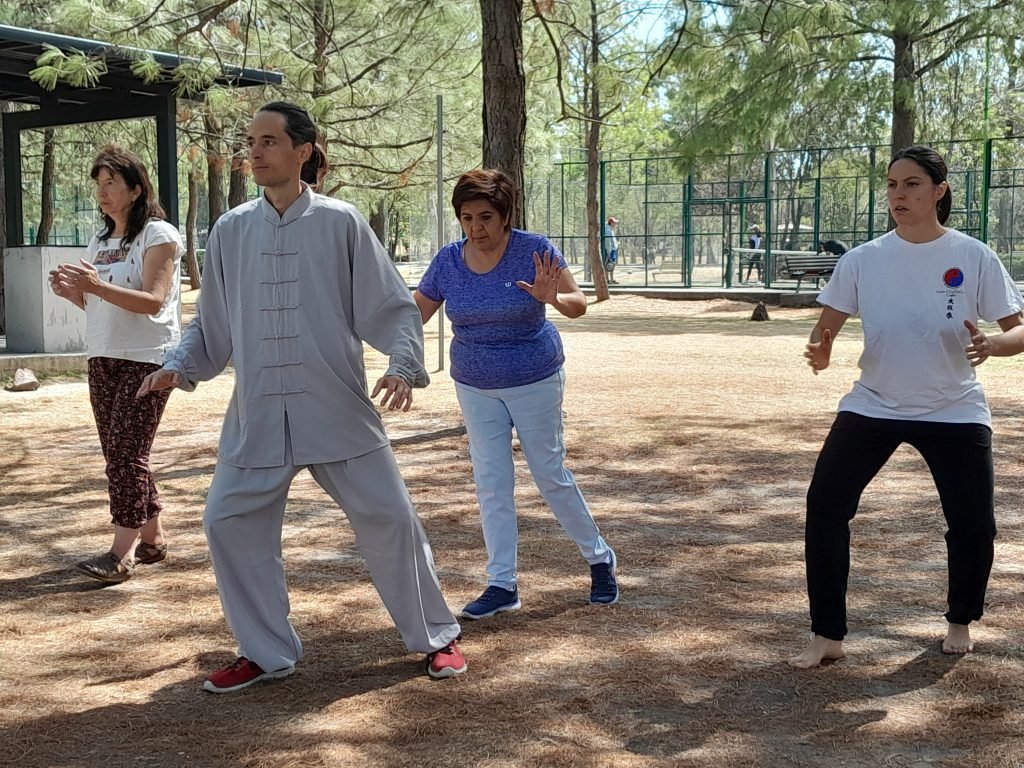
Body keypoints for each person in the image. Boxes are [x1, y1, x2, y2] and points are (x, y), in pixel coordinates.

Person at [136, 101, 467, 692]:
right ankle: (265, 651)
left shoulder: (341, 222)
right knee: (226, 521)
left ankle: (436, 638)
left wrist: (401, 363)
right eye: (251, 142)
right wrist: (179, 365)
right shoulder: (230, 232)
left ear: (302, 152)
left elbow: (390, 307)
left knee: (390, 518)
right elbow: (212, 327)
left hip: (336, 406)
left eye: (268, 141)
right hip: (258, 412)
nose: (255, 152)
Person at [790, 145, 1024, 669]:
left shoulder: (973, 255)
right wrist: (821, 346)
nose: (898, 194)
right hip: (873, 403)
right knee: (825, 506)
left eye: (912, 184)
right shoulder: (863, 259)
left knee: (973, 524)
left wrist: (992, 345)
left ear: (938, 191)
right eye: (893, 185)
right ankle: (827, 634)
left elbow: (1019, 330)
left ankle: (960, 619)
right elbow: (828, 322)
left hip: (954, 407)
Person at [413, 168, 618, 621]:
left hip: (534, 378)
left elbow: (579, 304)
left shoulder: (534, 249)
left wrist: (552, 298)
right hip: (475, 384)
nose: (476, 228)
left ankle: (600, 558)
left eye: (485, 216)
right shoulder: (449, 260)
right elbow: (416, 314)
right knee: (491, 483)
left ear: (506, 216)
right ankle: (502, 583)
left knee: (549, 474)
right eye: (466, 218)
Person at [48, 145, 183, 584]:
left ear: (136, 188)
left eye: (111, 183)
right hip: (103, 356)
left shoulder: (159, 235)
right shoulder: (101, 239)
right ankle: (153, 540)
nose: (103, 193)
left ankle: (119, 555)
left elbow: (153, 301)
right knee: (122, 455)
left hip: (147, 359)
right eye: (99, 184)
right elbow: (102, 305)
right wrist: (75, 294)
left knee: (126, 456)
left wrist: (96, 287)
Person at [602, 216, 619, 283]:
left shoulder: (611, 230)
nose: (615, 224)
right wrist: (608, 251)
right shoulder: (608, 231)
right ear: (611, 223)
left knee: (612, 264)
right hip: (609, 250)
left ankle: (612, 279)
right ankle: (607, 279)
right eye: (614, 223)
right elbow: (607, 242)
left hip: (612, 249)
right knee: (608, 264)